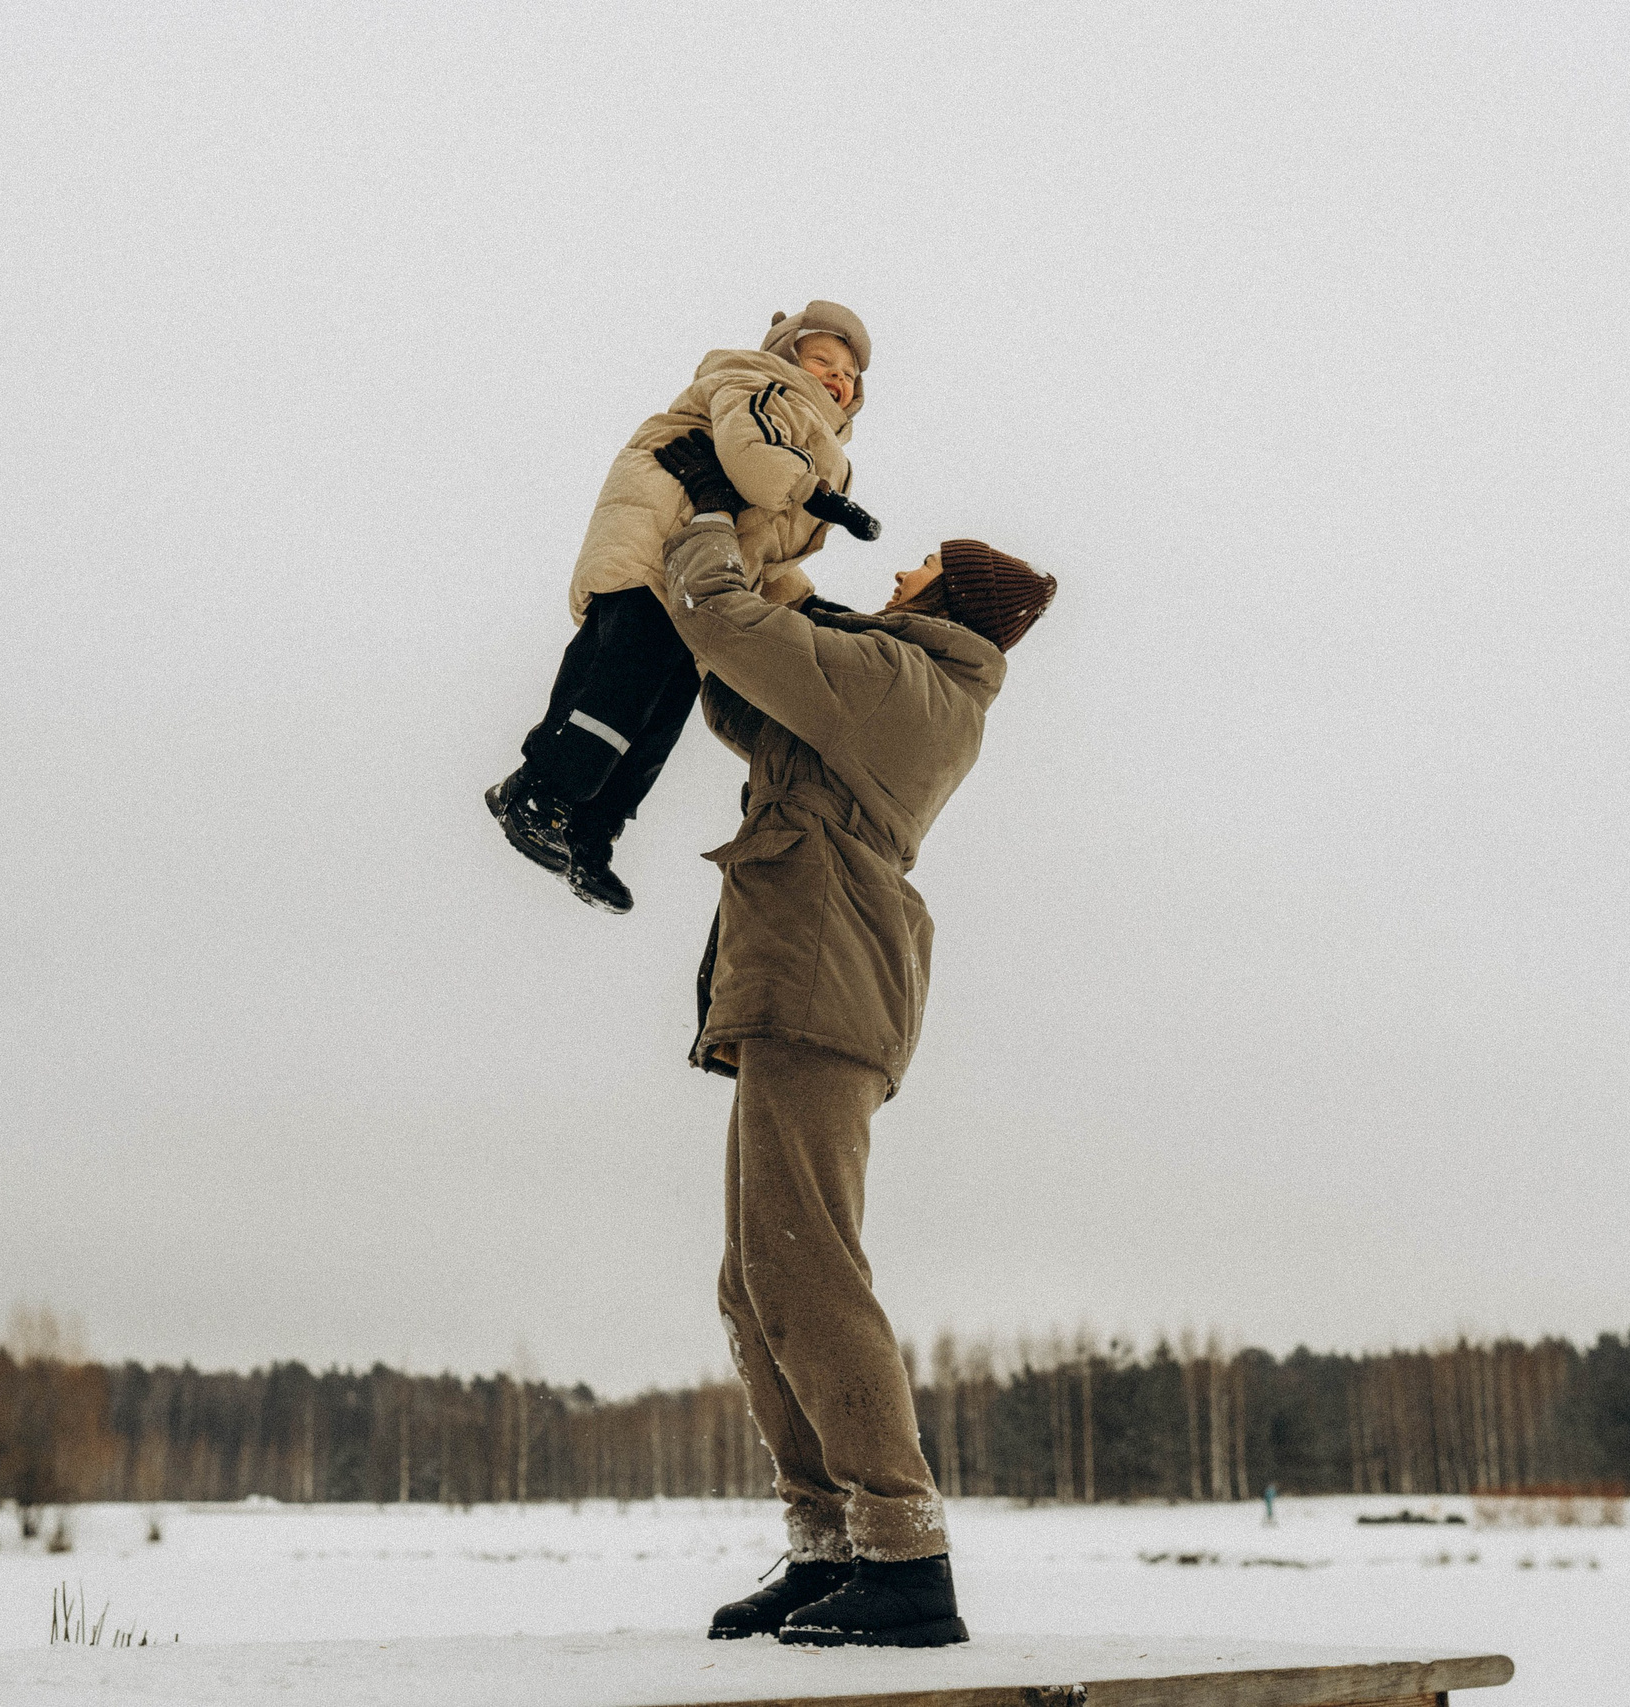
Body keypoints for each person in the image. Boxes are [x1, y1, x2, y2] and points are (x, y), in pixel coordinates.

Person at [650, 431, 1057, 1648]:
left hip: (824, 978)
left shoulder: (907, 686)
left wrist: (711, 516)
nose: (898, 576)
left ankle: (903, 1560)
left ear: (954, 601)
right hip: (801, 973)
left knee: (809, 1268)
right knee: (757, 1276)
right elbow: (747, 695)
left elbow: (728, 631)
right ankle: (828, 1547)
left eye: (920, 568)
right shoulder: (894, 681)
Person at [484, 301, 882, 914]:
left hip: (703, 577)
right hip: (658, 549)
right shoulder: (761, 384)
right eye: (821, 358)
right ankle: (538, 791)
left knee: (662, 715)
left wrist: (806, 605)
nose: (835, 376)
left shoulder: (820, 442)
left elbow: (763, 552)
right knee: (620, 682)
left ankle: (591, 834)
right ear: (787, 356)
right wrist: (819, 494)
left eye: (849, 373)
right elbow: (758, 471)